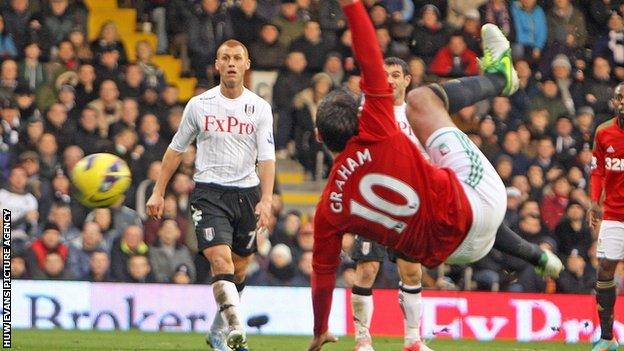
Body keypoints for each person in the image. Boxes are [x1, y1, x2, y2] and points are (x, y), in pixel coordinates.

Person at [308, 2, 561, 350]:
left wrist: (320, 327)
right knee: (422, 100)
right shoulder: (376, 123)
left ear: (319, 137)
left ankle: (410, 339)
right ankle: (501, 76)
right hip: (477, 207)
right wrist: (352, 6)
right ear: (359, 115)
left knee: (414, 238)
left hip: (454, 252)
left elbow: (322, 273)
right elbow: (368, 53)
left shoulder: (329, 209)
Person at [146, 39, 275, 351]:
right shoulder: (199, 105)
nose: (231, 63)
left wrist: (267, 199)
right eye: (225, 58)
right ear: (217, 65)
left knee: (240, 267)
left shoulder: (259, 107)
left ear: (247, 64)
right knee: (220, 261)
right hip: (209, 193)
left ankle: (217, 332)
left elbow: (267, 157)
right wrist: (158, 191)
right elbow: (175, 152)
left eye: (237, 58)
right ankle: (236, 331)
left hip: (246, 193)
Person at [349, 56, 430, 351]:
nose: (390, 81)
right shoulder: (366, 111)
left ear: (408, 79)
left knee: (412, 272)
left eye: (396, 75)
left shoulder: (420, 114)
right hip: (373, 202)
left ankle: (412, 340)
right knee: (367, 268)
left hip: (410, 205)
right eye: (385, 75)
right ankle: (362, 339)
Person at [588, 82, 624, 351]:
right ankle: (606, 337)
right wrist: (593, 201)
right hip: (613, 213)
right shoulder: (603, 132)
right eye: (619, 98)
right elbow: (598, 170)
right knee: (604, 269)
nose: (622, 102)